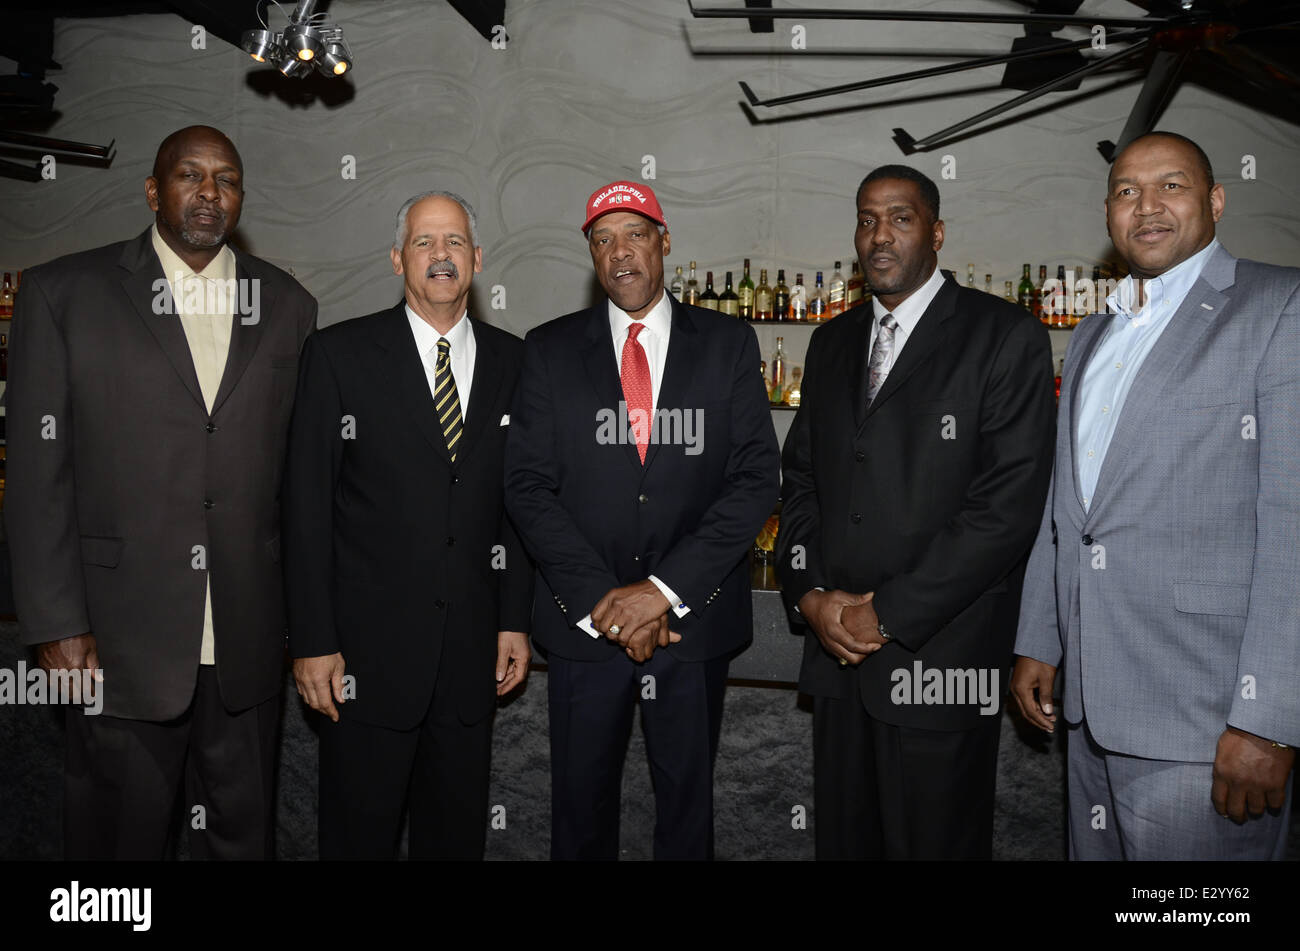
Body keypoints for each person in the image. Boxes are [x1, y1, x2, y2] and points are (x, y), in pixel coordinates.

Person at [5, 125, 317, 859]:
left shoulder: (288, 305)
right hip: (117, 643)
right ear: (153, 190)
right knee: (117, 846)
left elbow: (301, 483)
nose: (210, 192)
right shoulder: (64, 294)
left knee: (241, 842)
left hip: (245, 641)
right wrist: (55, 623)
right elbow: (37, 477)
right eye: (190, 174)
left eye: (228, 179)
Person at [1011, 132, 1299, 860]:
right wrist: (1040, 640)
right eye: (1126, 191)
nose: (1147, 206)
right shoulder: (1093, 333)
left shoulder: (1278, 305)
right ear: (1108, 213)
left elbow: (1292, 521)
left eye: (1171, 186)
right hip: (1088, 709)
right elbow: (1067, 511)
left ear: (1216, 201)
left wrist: (1270, 717)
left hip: (1208, 717)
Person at [776, 164, 1055, 860]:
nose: (880, 235)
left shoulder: (1003, 335)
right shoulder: (834, 342)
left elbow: (1006, 508)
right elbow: (802, 479)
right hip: (838, 660)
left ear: (936, 231)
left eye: (900, 218)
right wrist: (809, 595)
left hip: (940, 662)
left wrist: (889, 612)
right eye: (867, 219)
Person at [505, 180, 779, 860]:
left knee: (688, 811)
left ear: (664, 242)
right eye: (602, 240)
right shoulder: (547, 347)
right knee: (577, 809)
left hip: (693, 622)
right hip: (583, 626)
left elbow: (753, 481)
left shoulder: (727, 342)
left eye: (633, 234)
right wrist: (604, 601)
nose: (619, 253)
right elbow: (527, 484)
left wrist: (660, 591)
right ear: (590, 256)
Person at [284, 191, 532, 860]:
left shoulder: (517, 362)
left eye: (454, 241)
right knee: (356, 842)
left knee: (453, 845)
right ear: (398, 259)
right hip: (362, 666)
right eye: (424, 241)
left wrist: (513, 618)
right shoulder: (339, 355)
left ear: (477, 259)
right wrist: (311, 639)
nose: (441, 254)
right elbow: (304, 507)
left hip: (469, 665)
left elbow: (520, 504)